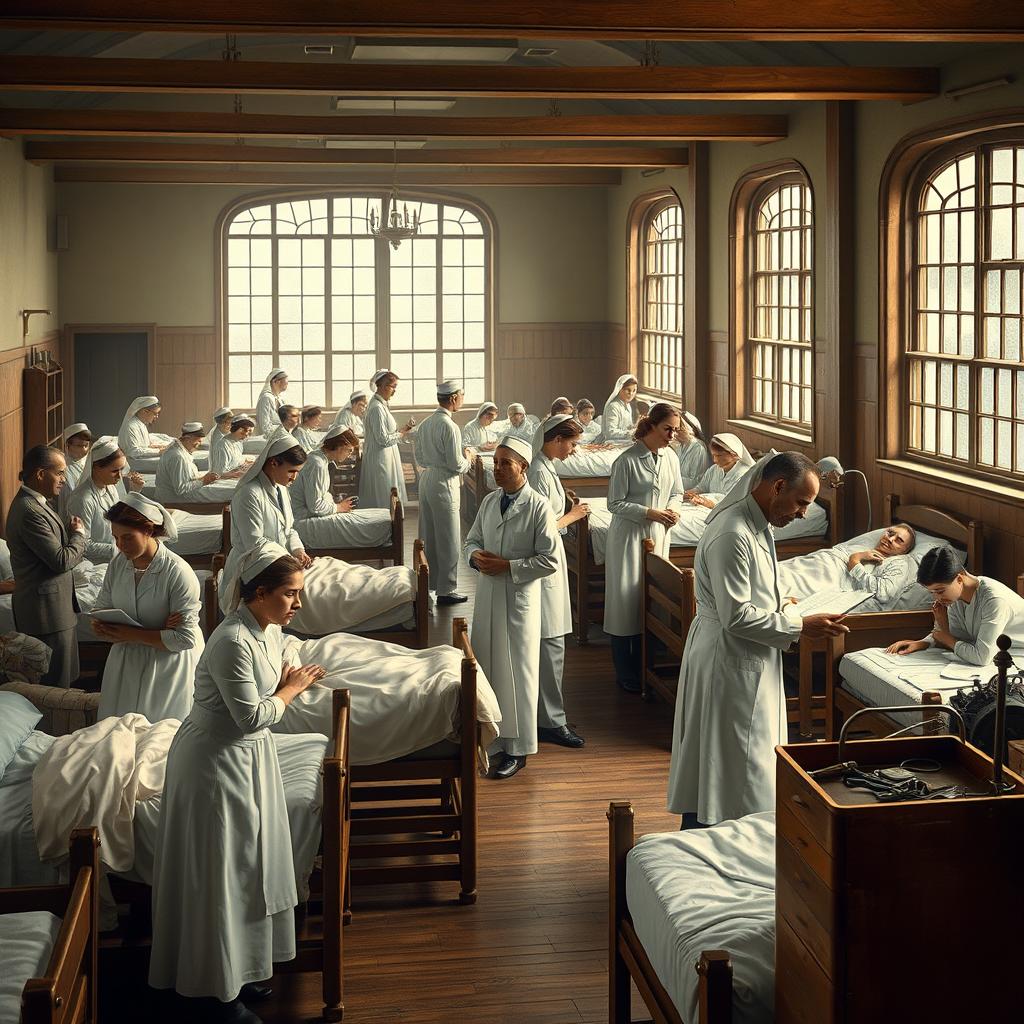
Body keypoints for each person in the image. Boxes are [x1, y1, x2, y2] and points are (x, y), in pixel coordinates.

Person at [149, 541, 326, 1022]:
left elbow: (256, 693)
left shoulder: (264, 629)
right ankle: (217, 993)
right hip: (213, 764)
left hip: (245, 758)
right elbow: (250, 716)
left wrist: (283, 680)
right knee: (219, 872)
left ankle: (240, 969)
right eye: (290, 594)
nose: (297, 604)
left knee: (247, 867)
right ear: (259, 591)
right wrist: (291, 690)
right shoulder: (231, 640)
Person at [667, 452, 850, 828]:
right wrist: (800, 626)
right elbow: (736, 615)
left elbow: (759, 587)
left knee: (740, 761)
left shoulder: (759, 524)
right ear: (777, 486)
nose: (802, 514)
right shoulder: (733, 534)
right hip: (728, 657)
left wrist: (783, 602)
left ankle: (730, 832)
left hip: (746, 654)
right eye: (802, 503)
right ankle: (714, 839)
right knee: (729, 762)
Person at [464, 435, 559, 780]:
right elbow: (472, 539)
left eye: (506, 463)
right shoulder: (491, 502)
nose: (498, 470)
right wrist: (474, 557)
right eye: (496, 463)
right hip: (488, 596)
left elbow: (549, 560)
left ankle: (518, 750)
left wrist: (509, 567)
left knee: (519, 675)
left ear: (523, 467)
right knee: (489, 666)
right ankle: (493, 737)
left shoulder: (538, 506)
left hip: (518, 599)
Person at [91, 494, 204, 722]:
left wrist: (128, 633)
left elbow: (184, 639)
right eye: (115, 538)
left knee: (161, 736)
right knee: (120, 734)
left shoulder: (177, 572)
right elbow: (102, 608)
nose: (120, 546)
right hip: (126, 661)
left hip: (168, 665)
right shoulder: (118, 564)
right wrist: (102, 627)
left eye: (128, 538)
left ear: (149, 531)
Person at [604, 403, 686, 692]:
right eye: (668, 429)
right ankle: (625, 672)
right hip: (629, 536)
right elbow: (614, 503)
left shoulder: (670, 458)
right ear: (651, 426)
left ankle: (645, 666)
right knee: (625, 604)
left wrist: (673, 510)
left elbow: (677, 492)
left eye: (676, 430)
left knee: (650, 599)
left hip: (659, 534)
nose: (672, 435)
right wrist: (650, 513)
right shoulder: (626, 460)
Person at [527, 415, 589, 749]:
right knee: (550, 644)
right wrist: (573, 516)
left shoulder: (546, 467)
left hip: (552, 560)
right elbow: (541, 526)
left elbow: (545, 510)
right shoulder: (538, 471)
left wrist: (565, 501)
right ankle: (550, 720)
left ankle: (548, 714)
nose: (574, 450)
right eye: (572, 443)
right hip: (546, 559)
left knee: (552, 643)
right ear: (555, 439)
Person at [4, 446, 87, 687]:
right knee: (54, 687)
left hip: (54, 609)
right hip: (46, 613)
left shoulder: (36, 502)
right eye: (60, 473)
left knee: (63, 683)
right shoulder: (30, 511)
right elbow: (62, 561)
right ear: (40, 474)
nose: (64, 479)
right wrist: (79, 535)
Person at [886, 545, 1024, 665]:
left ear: (959, 578)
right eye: (932, 592)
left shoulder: (994, 600)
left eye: (940, 591)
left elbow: (981, 657)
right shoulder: (955, 597)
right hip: (1000, 656)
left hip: (1016, 656)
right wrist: (923, 643)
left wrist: (947, 638)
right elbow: (956, 636)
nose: (937, 598)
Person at [223, 437, 313, 594]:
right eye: (291, 471)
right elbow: (255, 544)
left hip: (278, 563)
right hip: (254, 568)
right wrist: (289, 559)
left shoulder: (282, 489)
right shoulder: (249, 494)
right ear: (273, 463)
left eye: (297, 472)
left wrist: (297, 549)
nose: (294, 477)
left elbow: (288, 528)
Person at [415, 381, 474, 606]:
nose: (462, 399)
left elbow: (419, 458)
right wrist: (467, 457)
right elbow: (455, 464)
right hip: (444, 482)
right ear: (453, 399)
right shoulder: (450, 426)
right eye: (461, 395)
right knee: (448, 537)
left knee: (429, 533)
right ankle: (447, 589)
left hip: (427, 478)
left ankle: (430, 584)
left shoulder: (426, 424)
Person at [292, 425, 391, 549]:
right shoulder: (316, 465)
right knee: (370, 523)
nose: (349, 455)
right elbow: (315, 506)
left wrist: (337, 506)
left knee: (380, 515)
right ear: (339, 446)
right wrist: (338, 507)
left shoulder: (320, 460)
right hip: (302, 519)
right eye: (349, 450)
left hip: (311, 513)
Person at [67, 436, 145, 564]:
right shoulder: (82, 500)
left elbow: (120, 517)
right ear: (96, 467)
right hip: (95, 563)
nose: (120, 476)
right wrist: (119, 549)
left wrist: (134, 491)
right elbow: (83, 545)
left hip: (116, 555)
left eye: (121, 469)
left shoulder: (110, 488)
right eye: (114, 471)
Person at [358, 369, 414, 509]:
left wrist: (403, 431)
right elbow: (383, 440)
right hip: (380, 458)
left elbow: (387, 433)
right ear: (382, 386)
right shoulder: (376, 408)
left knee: (388, 494)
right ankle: (385, 524)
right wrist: (403, 431)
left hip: (386, 456)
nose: (394, 391)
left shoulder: (381, 405)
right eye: (392, 387)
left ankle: (391, 523)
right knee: (383, 495)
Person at [154, 423, 221, 503]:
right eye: (198, 440)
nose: (199, 444)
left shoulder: (179, 450)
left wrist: (204, 477)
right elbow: (181, 489)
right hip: (171, 500)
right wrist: (204, 481)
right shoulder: (178, 457)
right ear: (188, 438)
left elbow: (188, 477)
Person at [683, 433, 754, 506]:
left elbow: (733, 503)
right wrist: (687, 494)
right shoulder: (714, 469)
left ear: (733, 454)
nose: (715, 460)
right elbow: (702, 488)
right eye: (713, 455)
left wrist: (708, 503)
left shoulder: (743, 475)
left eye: (719, 455)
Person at [118, 395, 167, 469]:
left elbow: (144, 445)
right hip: (133, 462)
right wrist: (159, 451)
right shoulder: (131, 426)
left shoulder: (141, 423)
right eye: (155, 413)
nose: (157, 417)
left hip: (140, 457)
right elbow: (134, 452)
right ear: (145, 411)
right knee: (170, 461)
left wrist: (160, 447)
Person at [59, 422, 92, 519]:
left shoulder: (90, 461)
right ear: (67, 445)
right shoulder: (63, 466)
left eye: (86, 445)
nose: (84, 450)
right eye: (79, 446)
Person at [676, 411, 711, 491]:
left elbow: (696, 481)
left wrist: (671, 480)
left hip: (691, 492)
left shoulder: (698, 448)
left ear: (689, 430)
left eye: (679, 430)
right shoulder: (680, 446)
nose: (675, 434)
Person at [601, 375, 639, 442]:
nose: (631, 393)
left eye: (634, 390)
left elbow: (627, 427)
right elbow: (610, 433)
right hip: (613, 442)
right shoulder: (613, 406)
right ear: (620, 389)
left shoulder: (628, 405)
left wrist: (636, 426)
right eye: (628, 390)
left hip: (624, 440)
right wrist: (631, 433)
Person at [255, 368, 289, 438]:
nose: (287, 383)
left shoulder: (280, 399)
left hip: (281, 436)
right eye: (286, 380)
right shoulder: (266, 398)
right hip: (269, 438)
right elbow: (264, 426)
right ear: (276, 382)